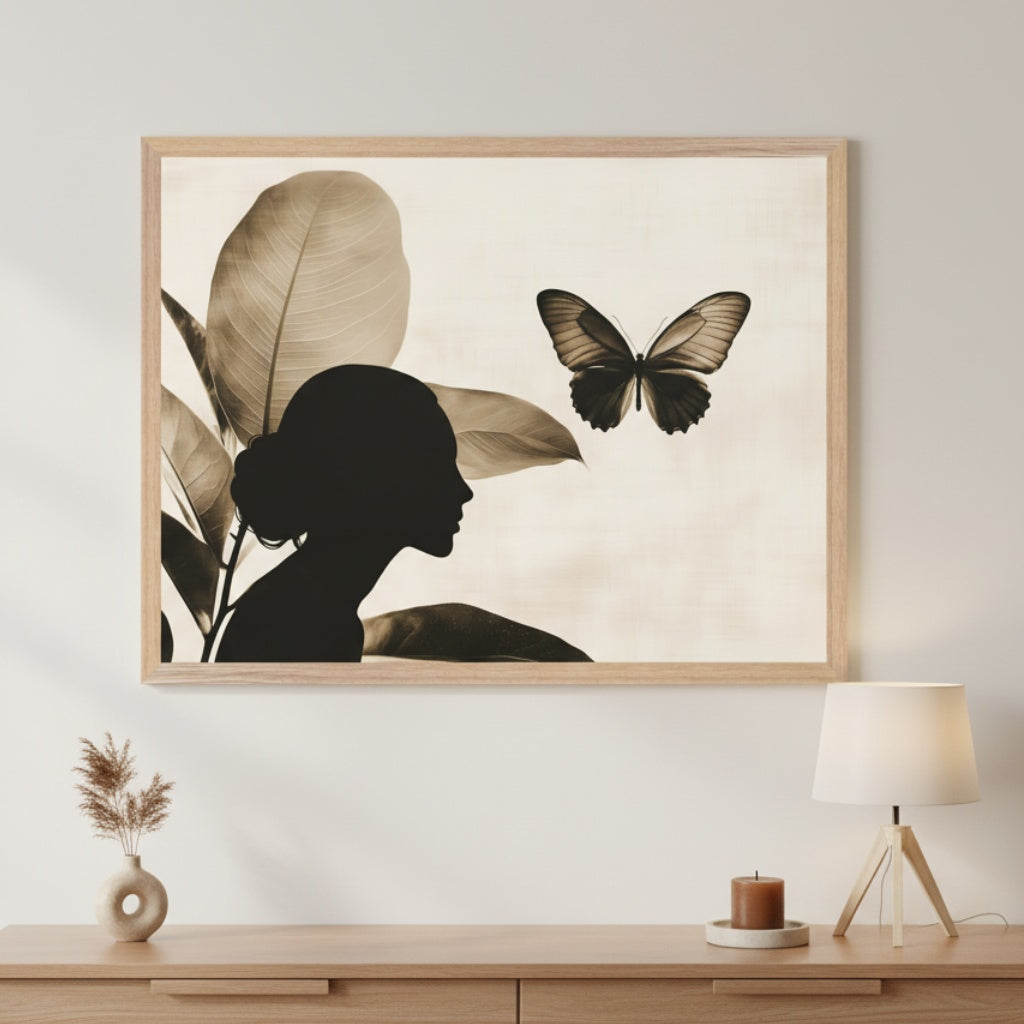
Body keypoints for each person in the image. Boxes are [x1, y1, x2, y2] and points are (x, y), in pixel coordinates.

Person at [215, 364, 473, 662]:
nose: (464, 491)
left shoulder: (302, 604)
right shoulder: (306, 620)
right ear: (375, 480)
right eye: (439, 467)